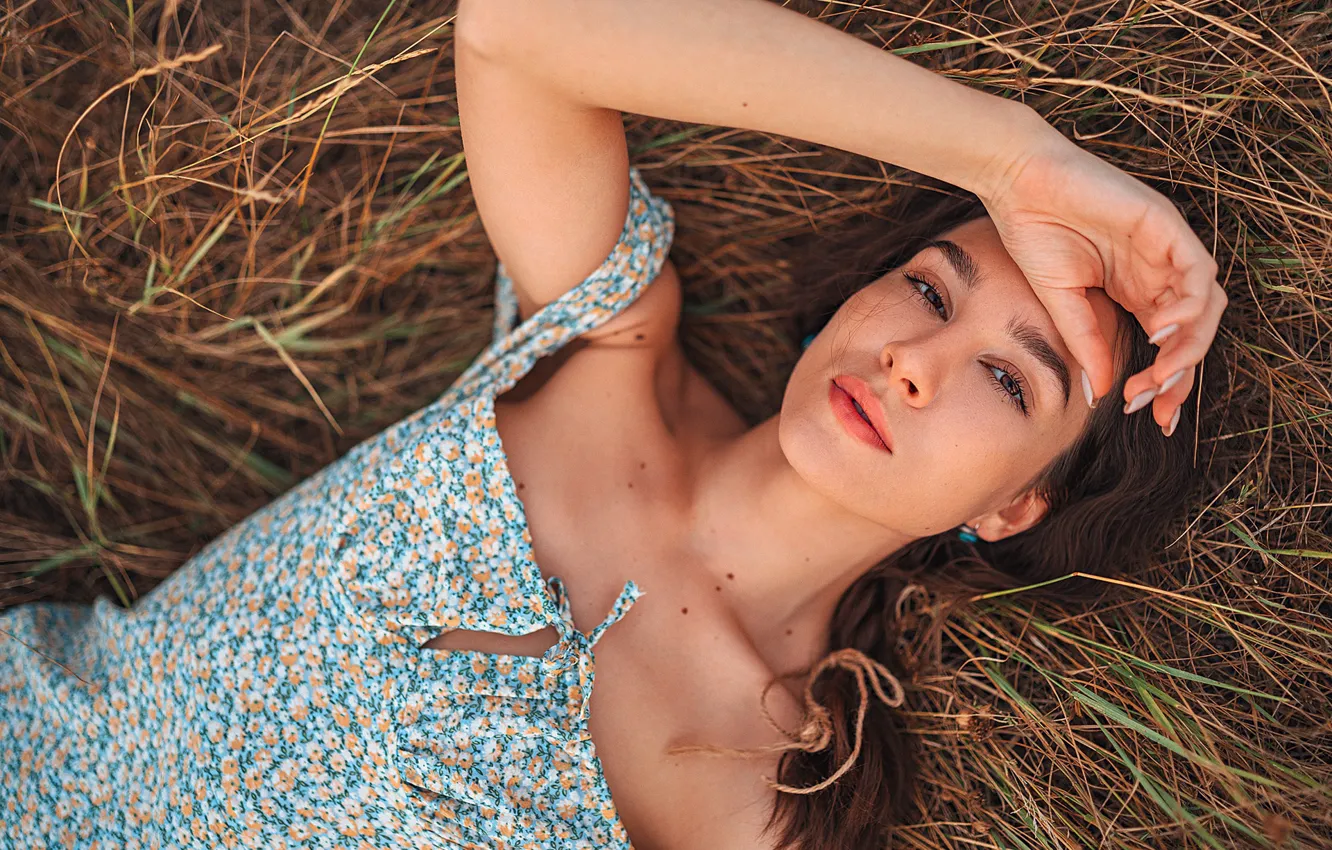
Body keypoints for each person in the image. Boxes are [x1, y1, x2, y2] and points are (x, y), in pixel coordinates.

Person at [0, 1, 1227, 849]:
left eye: (1010, 383)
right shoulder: (606, 346)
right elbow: (521, 27)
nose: (913, 361)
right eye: (927, 287)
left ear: (1016, 506)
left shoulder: (762, 804)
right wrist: (1013, 164)